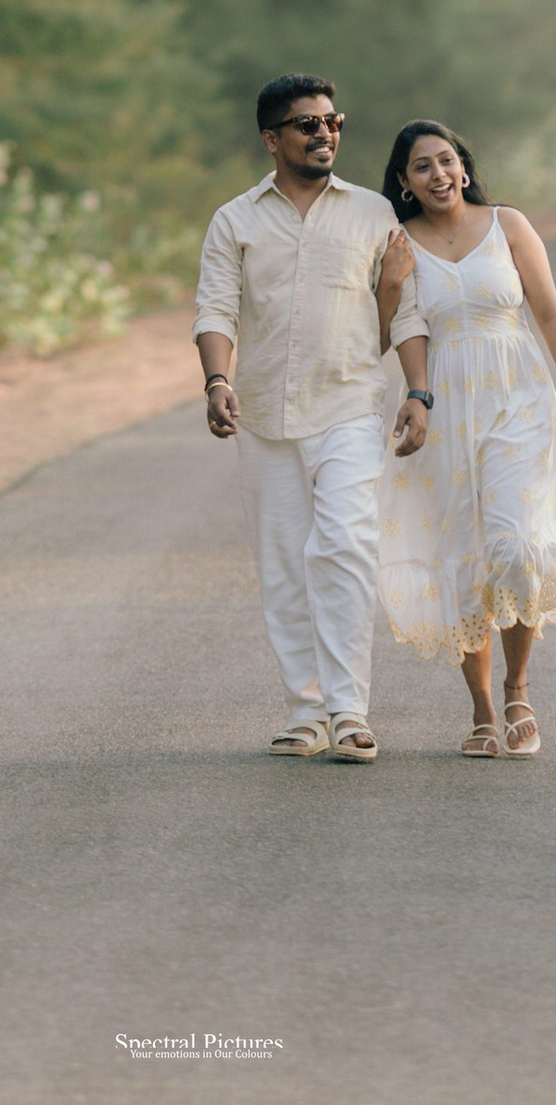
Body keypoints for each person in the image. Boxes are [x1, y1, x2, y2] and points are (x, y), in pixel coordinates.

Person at [193, 73, 434, 763]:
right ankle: (306, 709)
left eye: (333, 121)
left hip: (351, 406)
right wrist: (217, 380)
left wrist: (418, 393)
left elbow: (407, 312)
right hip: (265, 414)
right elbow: (215, 307)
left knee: (346, 546)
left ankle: (349, 709)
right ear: (272, 138)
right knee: (284, 563)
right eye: (307, 124)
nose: (324, 132)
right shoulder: (234, 219)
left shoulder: (371, 213)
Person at [374, 118, 556, 756]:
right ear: (404, 183)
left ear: (463, 165)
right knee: (465, 556)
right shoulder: (399, 244)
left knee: (515, 547)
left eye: (447, 161)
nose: (439, 175)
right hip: (447, 409)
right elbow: (385, 337)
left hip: (519, 401)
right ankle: (483, 710)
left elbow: (548, 313)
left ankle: (518, 688)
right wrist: (392, 288)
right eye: (422, 167)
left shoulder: (508, 225)